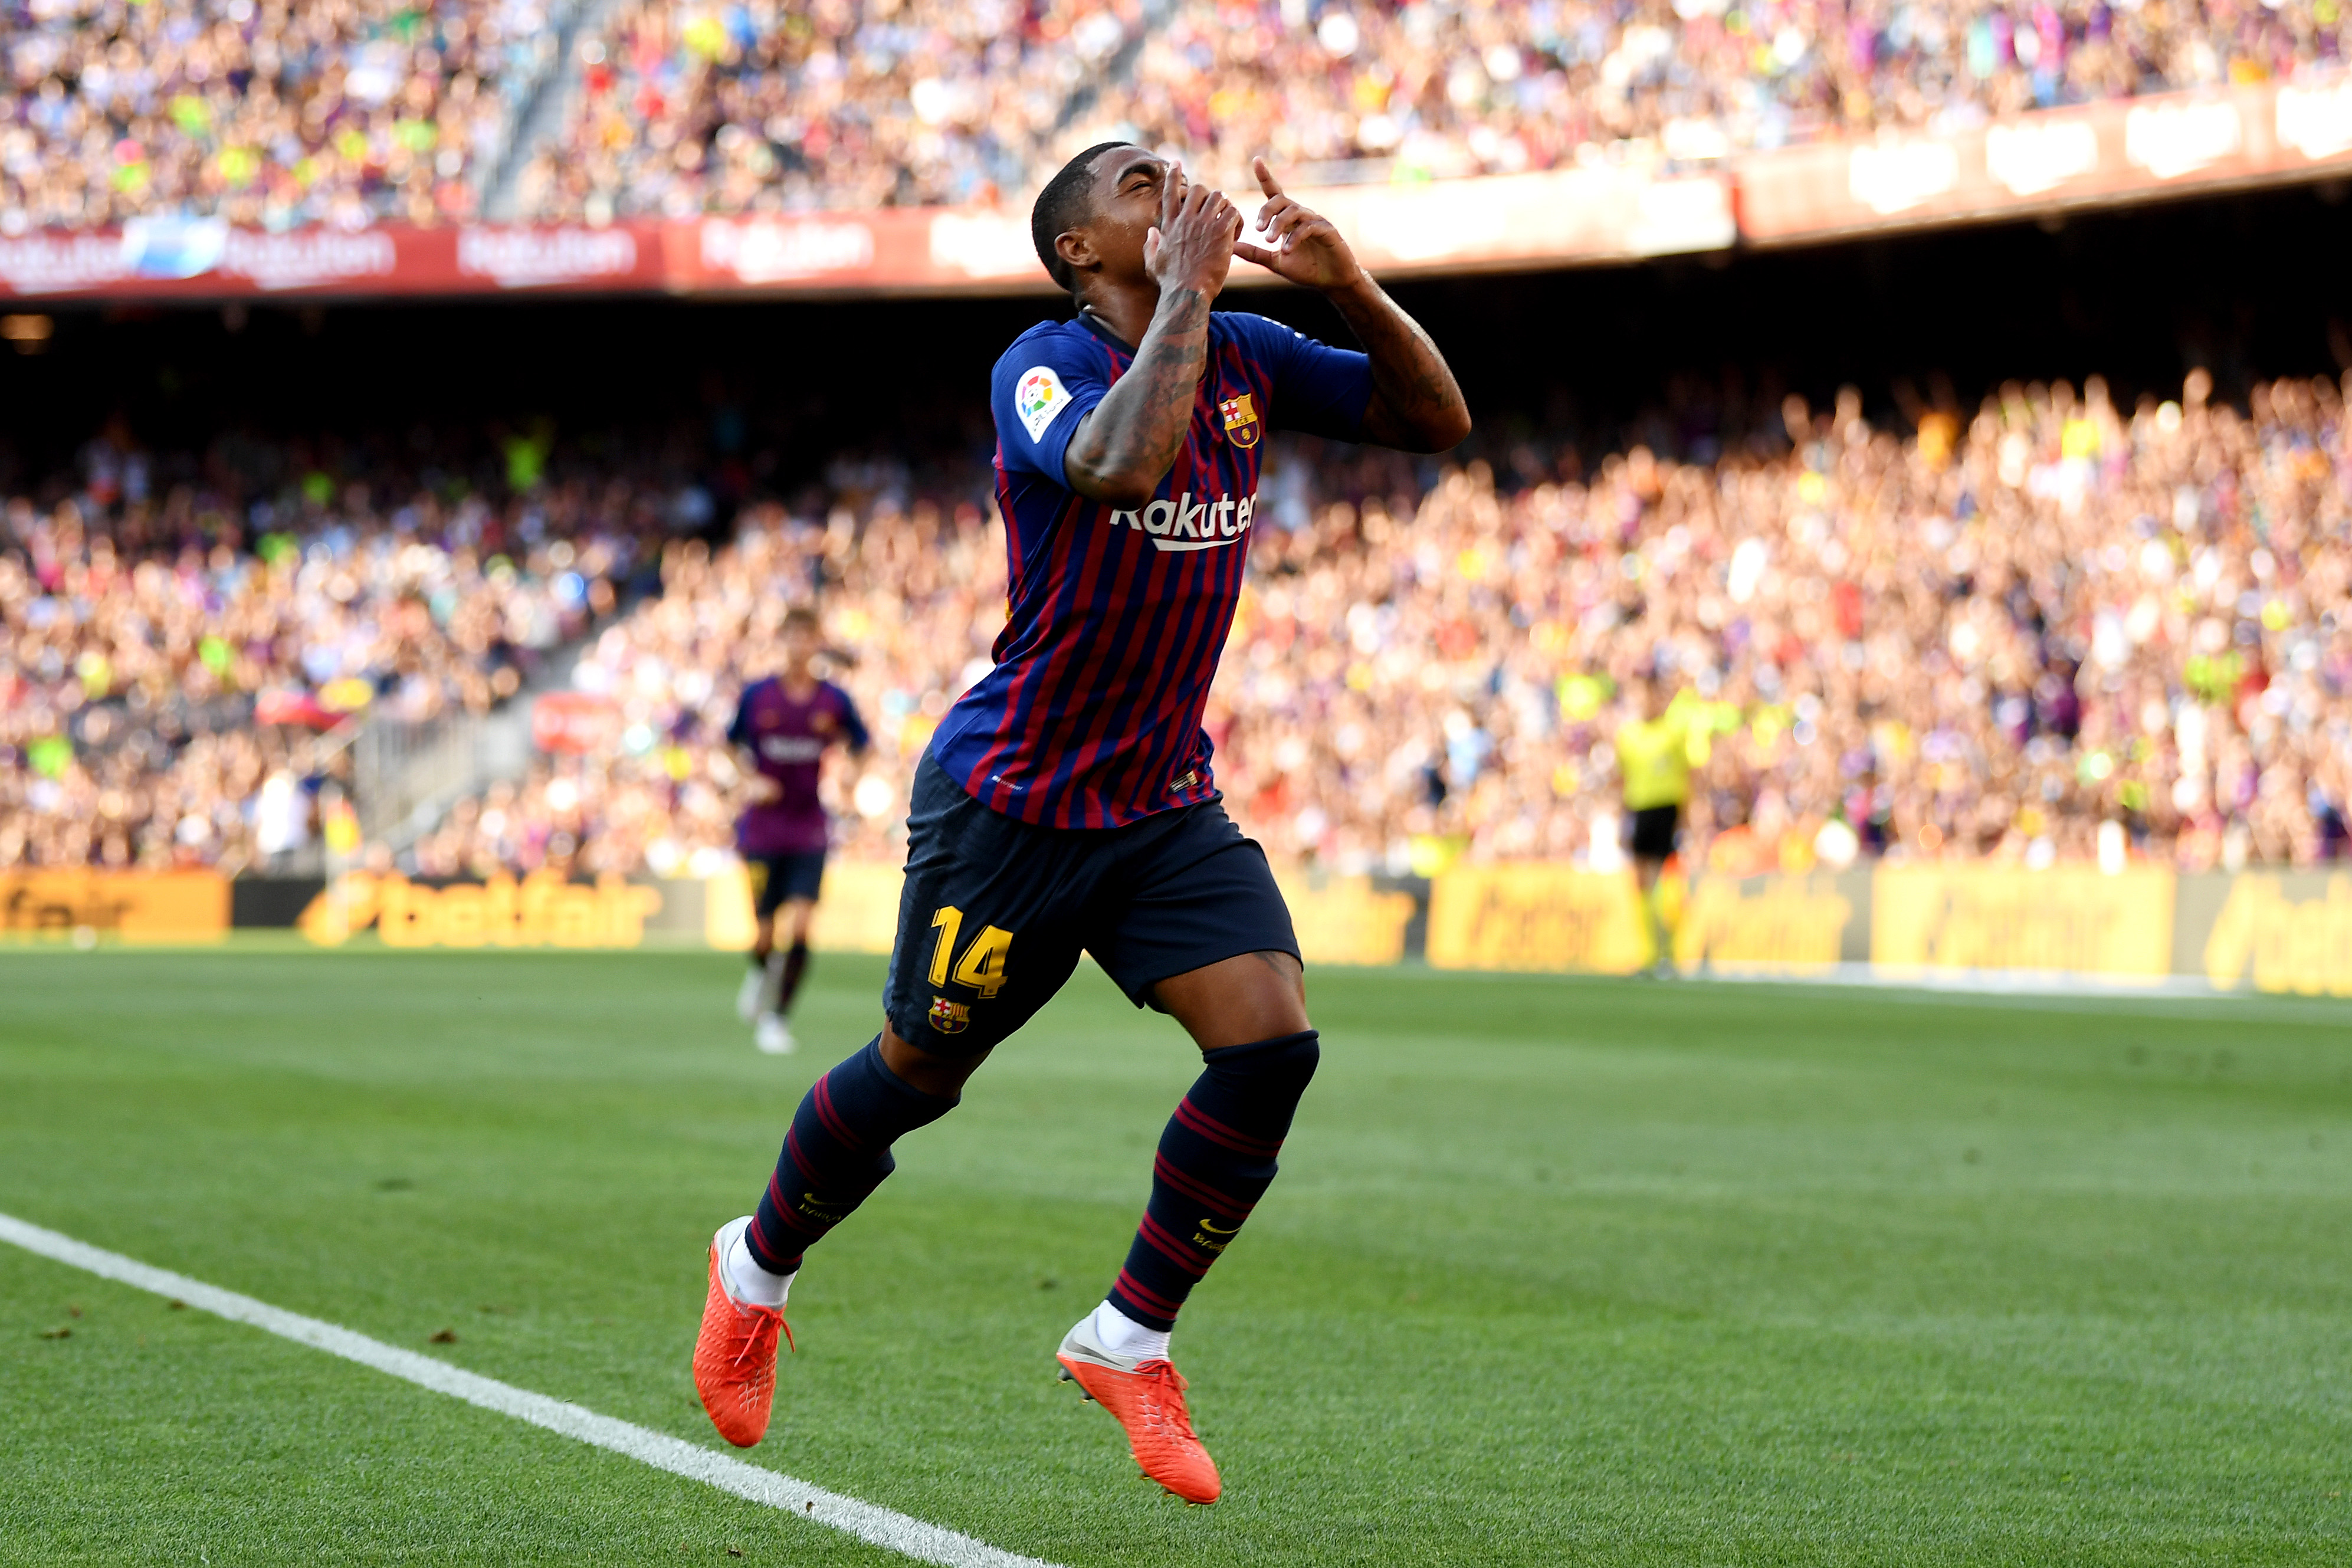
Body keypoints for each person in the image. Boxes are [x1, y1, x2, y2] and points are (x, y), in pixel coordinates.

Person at [690, 143, 1468, 1503]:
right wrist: (1185, 298)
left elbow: (1434, 422)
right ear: (1079, 252)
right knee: (919, 1073)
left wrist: (1342, 278)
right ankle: (752, 1261)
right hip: (1014, 802)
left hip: (1159, 798)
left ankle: (1127, 1333)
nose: (1171, 183)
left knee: (1271, 1039)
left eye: (1171, 168)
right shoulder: (1038, 364)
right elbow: (1115, 466)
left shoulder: (1248, 348)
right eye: (1134, 181)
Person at [726, 606, 871, 1055]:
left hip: (809, 826)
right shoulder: (757, 696)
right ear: (782, 640)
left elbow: (863, 745)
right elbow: (730, 745)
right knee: (765, 930)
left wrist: (850, 776)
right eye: (791, 636)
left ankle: (777, 1018)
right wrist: (750, 779)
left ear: (816, 643)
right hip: (762, 830)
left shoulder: (833, 700)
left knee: (804, 926)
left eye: (807, 637)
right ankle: (758, 970)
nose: (799, 645)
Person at [1612, 674, 1707, 975]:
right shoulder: (1628, 737)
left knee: (1669, 878)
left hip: (1668, 808)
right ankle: (1650, 952)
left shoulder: (1673, 734)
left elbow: (1689, 775)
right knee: (1641, 881)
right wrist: (1621, 820)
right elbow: (1622, 780)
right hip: (1641, 809)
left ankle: (1673, 951)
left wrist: (1689, 816)